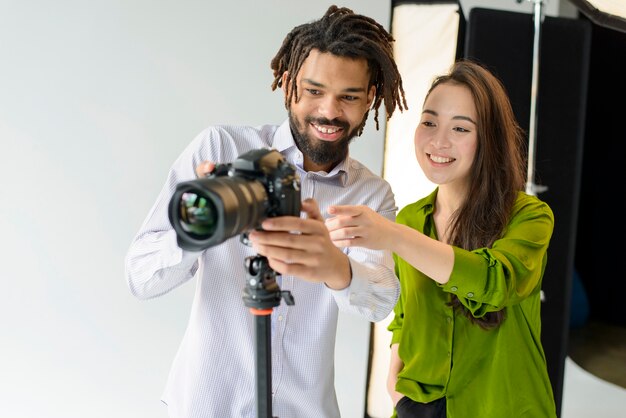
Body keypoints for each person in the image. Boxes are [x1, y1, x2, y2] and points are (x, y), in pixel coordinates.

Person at [125, 5, 408, 418]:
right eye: (314, 91)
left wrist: (334, 267)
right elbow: (140, 276)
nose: (329, 112)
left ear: (370, 98)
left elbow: (381, 301)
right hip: (206, 406)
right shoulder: (221, 149)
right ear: (289, 84)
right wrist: (200, 229)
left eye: (348, 97)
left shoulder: (370, 194)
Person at [325, 60, 557, 417]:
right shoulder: (410, 219)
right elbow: (405, 314)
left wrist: (393, 236)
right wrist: (396, 384)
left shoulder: (530, 216)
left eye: (460, 129)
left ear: (489, 138)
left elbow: (495, 282)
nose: (438, 140)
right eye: (429, 122)